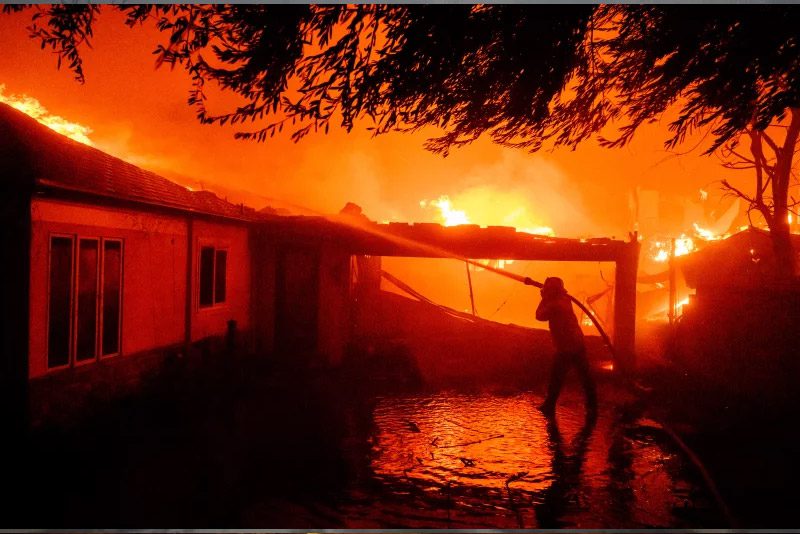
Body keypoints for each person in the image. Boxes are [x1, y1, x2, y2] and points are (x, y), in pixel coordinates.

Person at [526, 276, 597, 417]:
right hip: (576, 343)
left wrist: (544, 297)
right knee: (584, 376)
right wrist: (547, 295)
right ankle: (592, 406)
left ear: (551, 290)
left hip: (566, 347)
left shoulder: (555, 304)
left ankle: (550, 405)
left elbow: (539, 315)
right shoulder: (565, 299)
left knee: (556, 377)